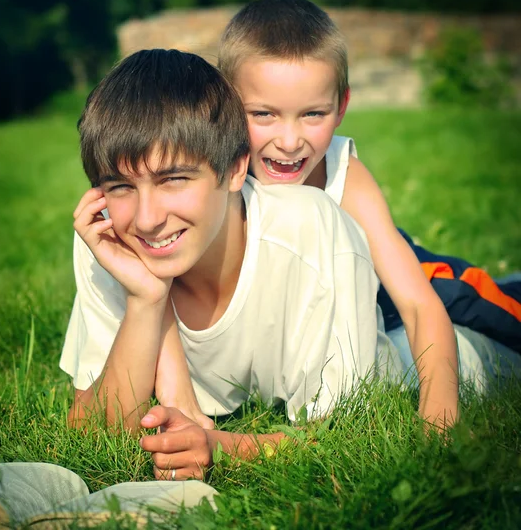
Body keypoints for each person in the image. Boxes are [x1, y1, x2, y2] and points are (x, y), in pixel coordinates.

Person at [60, 48, 395, 481]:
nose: (146, 219)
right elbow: (92, 436)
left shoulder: (311, 229)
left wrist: (220, 447)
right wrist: (146, 300)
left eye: (173, 180)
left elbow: (343, 437)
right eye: (121, 186)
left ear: (235, 170)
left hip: (401, 343)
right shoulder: (111, 240)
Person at [215, 0, 521, 426]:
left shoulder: (343, 174)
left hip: (404, 285)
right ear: (226, 106)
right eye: (263, 114)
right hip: (335, 308)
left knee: (500, 311)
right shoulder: (214, 176)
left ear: (341, 107)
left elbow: (418, 304)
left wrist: (439, 415)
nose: (289, 140)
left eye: (312, 114)